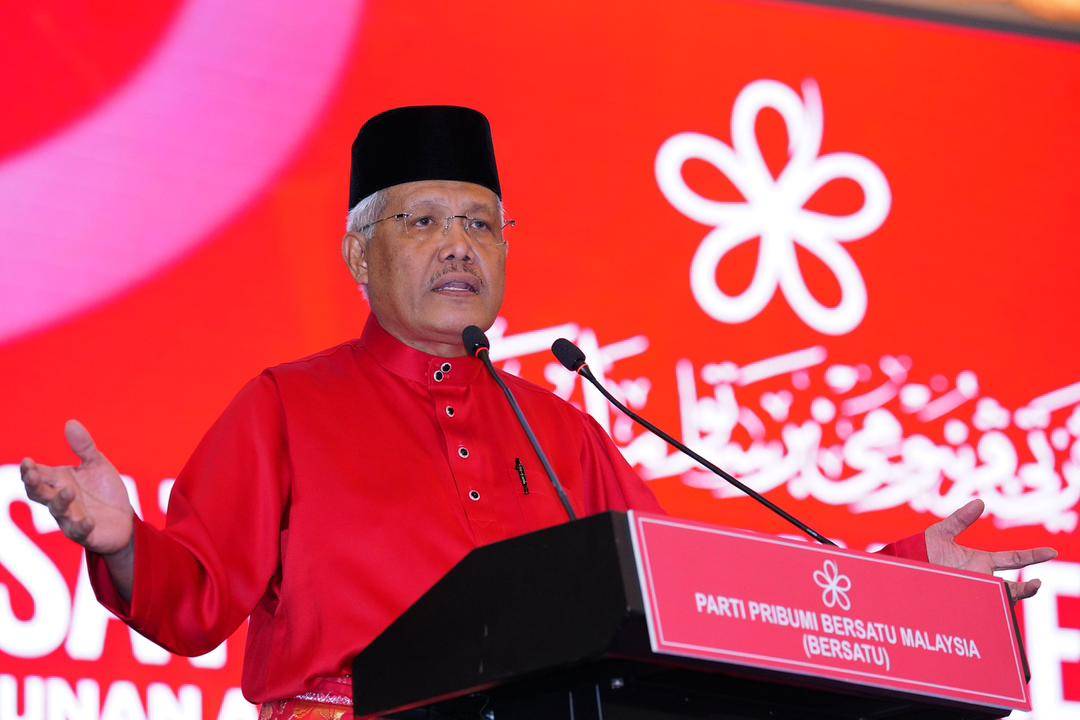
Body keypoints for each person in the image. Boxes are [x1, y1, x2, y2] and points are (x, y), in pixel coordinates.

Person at [19, 106, 1056, 719]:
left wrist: (913, 580)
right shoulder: (287, 406)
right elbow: (191, 604)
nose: (458, 244)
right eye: (422, 221)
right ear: (358, 257)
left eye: (479, 223)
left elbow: (715, 602)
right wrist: (121, 545)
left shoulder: (566, 433)